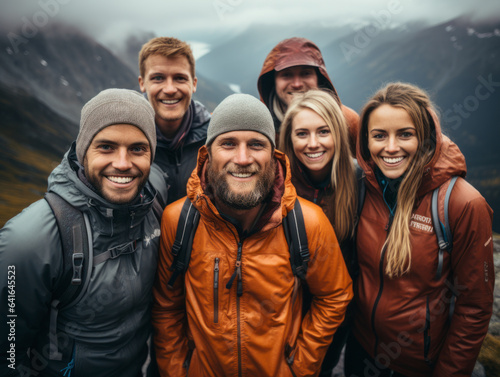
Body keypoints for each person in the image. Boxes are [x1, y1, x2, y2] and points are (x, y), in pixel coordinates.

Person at [153, 93, 353, 376]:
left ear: (273, 156)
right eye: (228, 144)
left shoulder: (307, 222)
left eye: (256, 144)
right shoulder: (179, 221)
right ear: (208, 154)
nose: (243, 158)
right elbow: (166, 308)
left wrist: (299, 368)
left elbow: (335, 296)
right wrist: (178, 371)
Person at [0, 89, 162, 377]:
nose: (123, 163)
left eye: (138, 148)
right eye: (106, 147)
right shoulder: (29, 241)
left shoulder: (155, 195)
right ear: (82, 150)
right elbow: (7, 353)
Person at [344, 82, 494, 377]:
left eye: (405, 134)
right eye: (379, 136)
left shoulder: (462, 203)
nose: (390, 147)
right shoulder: (364, 188)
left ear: (425, 138)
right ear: (366, 143)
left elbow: (474, 307)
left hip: (418, 366)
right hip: (360, 350)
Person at [279, 89, 358, 376]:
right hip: (282, 314)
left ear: (338, 133)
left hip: (337, 315)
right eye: (302, 134)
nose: (313, 144)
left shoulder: (360, 181)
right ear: (288, 138)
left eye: (323, 131)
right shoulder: (276, 185)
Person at [138, 36, 211, 206]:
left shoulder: (215, 140)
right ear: (142, 84)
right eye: (158, 78)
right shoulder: (124, 141)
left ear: (193, 84)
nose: (170, 89)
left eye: (180, 78)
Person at [257, 37, 359, 154]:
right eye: (286, 75)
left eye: (305, 73)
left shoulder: (347, 121)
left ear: (319, 79)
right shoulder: (261, 129)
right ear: (273, 82)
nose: (297, 84)